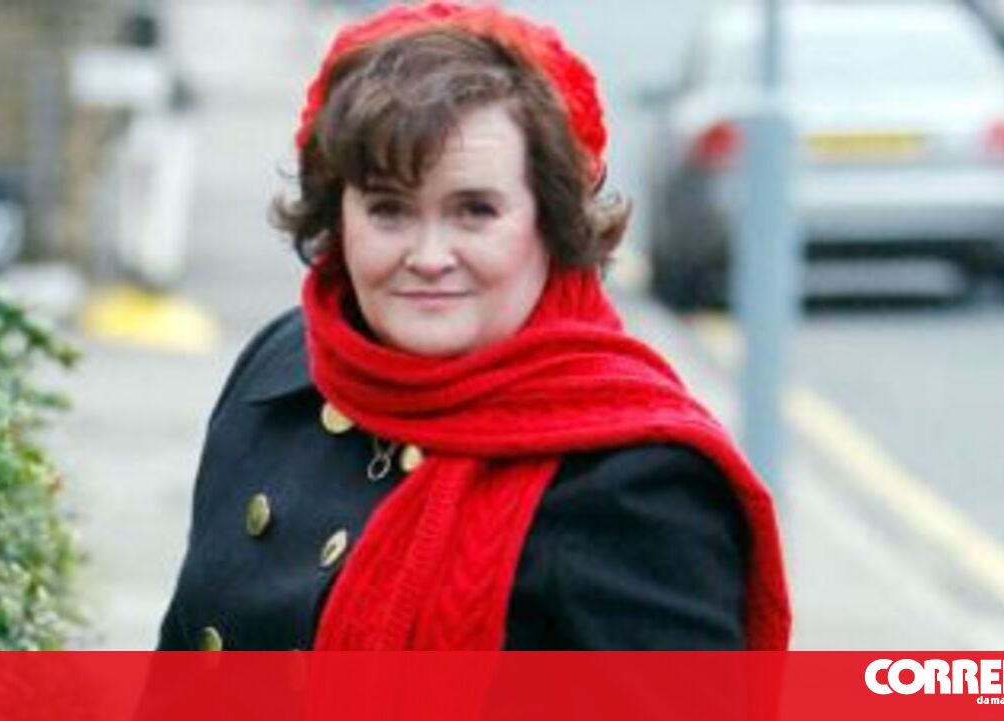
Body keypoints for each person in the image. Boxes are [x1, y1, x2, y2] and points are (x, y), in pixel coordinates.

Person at [156, 1, 790, 651]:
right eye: (389, 209)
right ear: (337, 217)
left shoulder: (635, 484)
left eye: (475, 211)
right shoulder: (285, 366)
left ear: (552, 222)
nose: (429, 256)